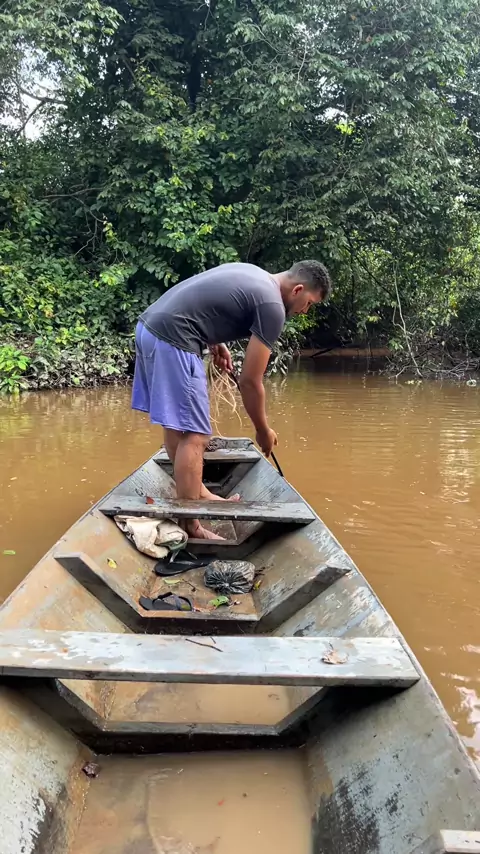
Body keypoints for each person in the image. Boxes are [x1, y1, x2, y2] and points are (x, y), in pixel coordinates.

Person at [132, 259, 331, 539]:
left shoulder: (255, 274)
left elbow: (203, 302)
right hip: (174, 338)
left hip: (149, 328)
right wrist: (263, 430)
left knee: (177, 425)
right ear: (298, 289)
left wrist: (216, 341)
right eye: (309, 303)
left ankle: (199, 492)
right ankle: (191, 525)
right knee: (196, 435)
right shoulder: (273, 307)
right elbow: (250, 381)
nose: (305, 311)